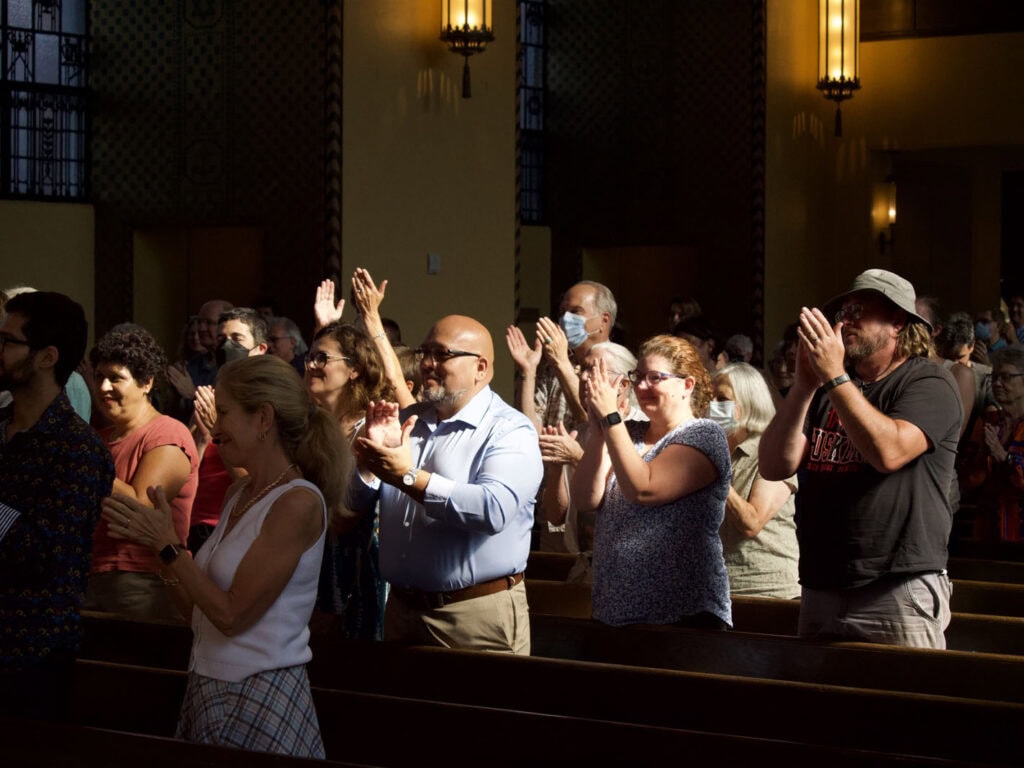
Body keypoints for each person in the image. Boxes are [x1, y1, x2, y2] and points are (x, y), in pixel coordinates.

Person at [101, 355, 349, 757]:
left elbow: (232, 616)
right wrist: (163, 552)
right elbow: (198, 613)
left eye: (227, 413)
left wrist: (169, 546)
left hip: (260, 694)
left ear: (263, 419)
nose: (216, 430)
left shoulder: (298, 502)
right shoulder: (240, 493)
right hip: (207, 685)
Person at [759, 269, 961, 648]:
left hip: (896, 584)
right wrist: (804, 387)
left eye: (859, 312)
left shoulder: (928, 383)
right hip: (822, 582)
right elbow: (773, 465)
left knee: (903, 704)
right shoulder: (826, 390)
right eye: (843, 312)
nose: (845, 321)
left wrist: (835, 376)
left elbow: (889, 452)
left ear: (897, 323)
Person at [352, 315, 542, 653]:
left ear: (481, 368)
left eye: (442, 354)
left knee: (478, 708)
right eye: (425, 352)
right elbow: (353, 509)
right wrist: (369, 466)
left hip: (473, 615)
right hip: (401, 609)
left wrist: (407, 476)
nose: (427, 363)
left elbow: (492, 510)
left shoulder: (510, 430)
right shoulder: (406, 420)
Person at [0, 291, 115, 722]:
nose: (0, 351)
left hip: (29, 657)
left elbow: (46, 555)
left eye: (8, 342)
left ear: (47, 357)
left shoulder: (78, 450)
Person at [573, 334, 732, 629]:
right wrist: (598, 431)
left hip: (681, 615)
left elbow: (642, 488)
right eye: (639, 377)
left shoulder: (704, 435)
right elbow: (585, 499)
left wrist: (610, 419)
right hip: (614, 610)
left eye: (655, 378)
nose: (642, 386)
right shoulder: (627, 431)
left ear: (687, 385)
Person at [85, 324, 199, 620]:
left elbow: (140, 510)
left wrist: (83, 460)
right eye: (99, 377)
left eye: (115, 378)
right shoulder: (99, 439)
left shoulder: (167, 432)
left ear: (146, 382)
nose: (103, 388)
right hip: (91, 577)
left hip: (144, 581)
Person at [306, 321, 392, 640]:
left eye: (322, 358)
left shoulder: (368, 429)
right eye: (310, 357)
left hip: (354, 575)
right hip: (311, 566)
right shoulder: (311, 427)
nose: (312, 365)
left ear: (354, 369)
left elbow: (345, 516)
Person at [538, 341, 646, 582]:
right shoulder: (580, 432)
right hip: (585, 568)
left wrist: (578, 457)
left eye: (593, 369)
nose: (583, 377)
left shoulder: (644, 431)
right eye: (581, 369)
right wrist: (556, 468)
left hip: (629, 570)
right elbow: (557, 517)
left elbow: (631, 498)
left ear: (624, 384)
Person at [710, 362, 799, 599]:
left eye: (722, 399)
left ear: (748, 403)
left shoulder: (772, 450)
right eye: (710, 398)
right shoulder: (709, 451)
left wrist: (715, 473)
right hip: (717, 588)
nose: (713, 406)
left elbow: (752, 522)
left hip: (767, 589)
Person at [506, 280, 617, 431]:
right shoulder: (550, 367)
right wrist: (528, 371)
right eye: (562, 312)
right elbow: (529, 429)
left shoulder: (617, 367)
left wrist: (561, 362)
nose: (565, 319)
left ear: (604, 321)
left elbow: (594, 427)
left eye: (575, 312)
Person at [959, 347, 1024, 542]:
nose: (997, 383)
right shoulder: (988, 421)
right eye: (994, 377)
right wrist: (982, 454)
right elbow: (970, 479)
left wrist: (1005, 457)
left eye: (1006, 377)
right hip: (988, 528)